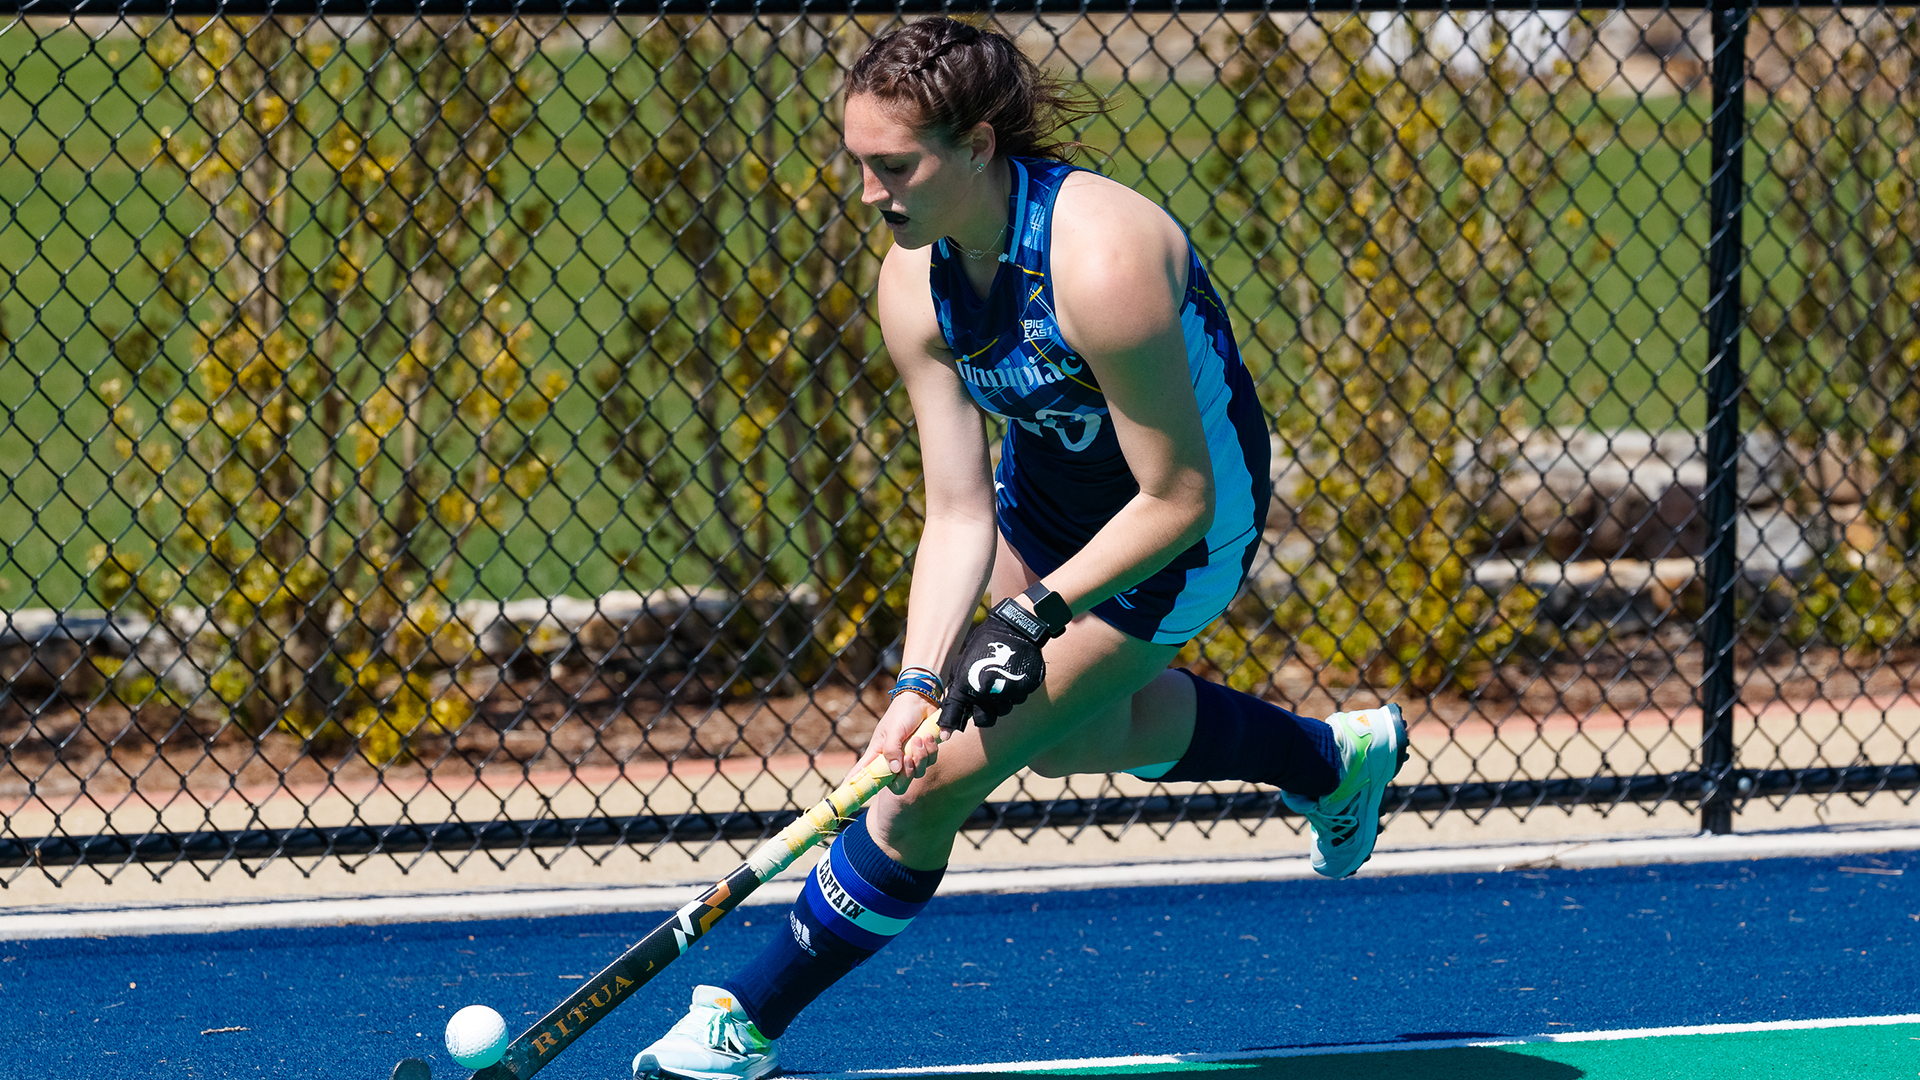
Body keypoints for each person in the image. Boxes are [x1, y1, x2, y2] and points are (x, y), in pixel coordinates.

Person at [632, 18, 1407, 1080]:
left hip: (1178, 531)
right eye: (858, 164)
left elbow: (1177, 496)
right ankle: (1327, 760)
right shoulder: (915, 282)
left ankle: (746, 1019)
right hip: (1036, 514)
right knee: (1064, 735)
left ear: (981, 146)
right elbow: (956, 511)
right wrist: (915, 680)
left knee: (932, 783)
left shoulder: (1102, 260)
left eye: (894, 166)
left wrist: (1026, 618)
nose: (870, 194)